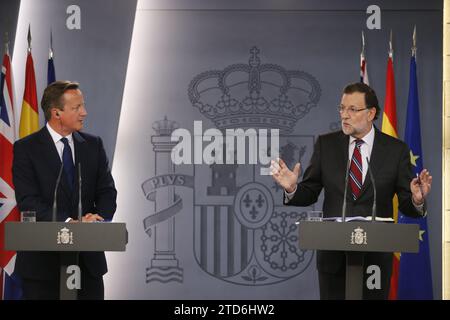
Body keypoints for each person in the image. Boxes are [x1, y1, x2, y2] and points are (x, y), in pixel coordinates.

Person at [271, 82, 432, 300]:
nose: (344, 115)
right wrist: (292, 188)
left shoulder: (396, 150)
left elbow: (406, 205)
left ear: (371, 113)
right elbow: (309, 191)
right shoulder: (326, 145)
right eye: (342, 108)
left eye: (352, 109)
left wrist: (416, 199)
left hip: (375, 260)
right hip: (333, 259)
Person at [12, 80, 117, 300]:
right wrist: (70, 224)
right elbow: (28, 201)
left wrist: (97, 219)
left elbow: (107, 192)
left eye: (83, 106)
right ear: (56, 113)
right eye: (77, 108)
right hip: (42, 268)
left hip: (87, 266)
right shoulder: (26, 149)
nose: (84, 113)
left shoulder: (93, 145)